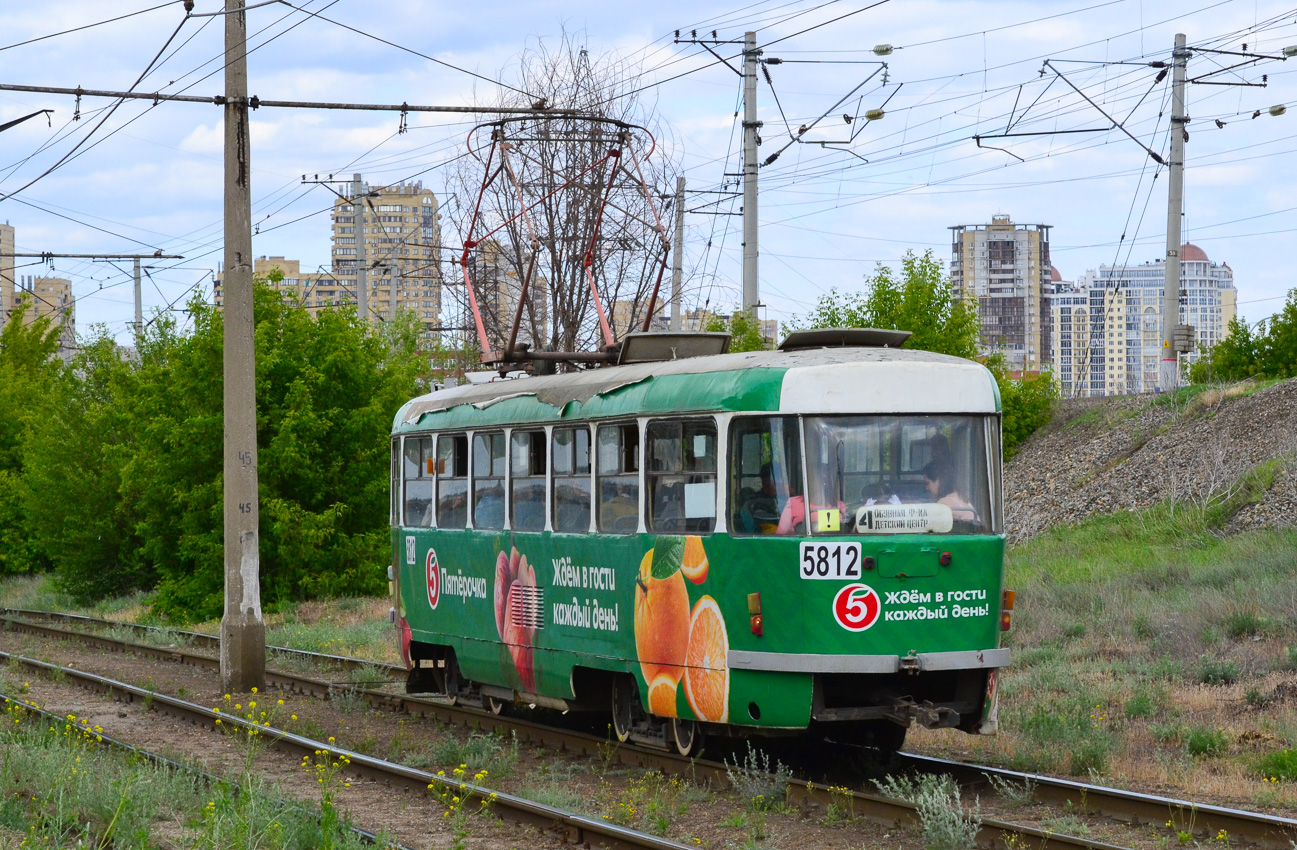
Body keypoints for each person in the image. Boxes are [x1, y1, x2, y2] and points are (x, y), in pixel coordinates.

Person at [777, 475, 846, 535]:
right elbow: (781, 534)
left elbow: (844, 533)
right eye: (815, 481)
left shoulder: (839, 506)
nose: (819, 485)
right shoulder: (793, 503)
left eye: (824, 482)